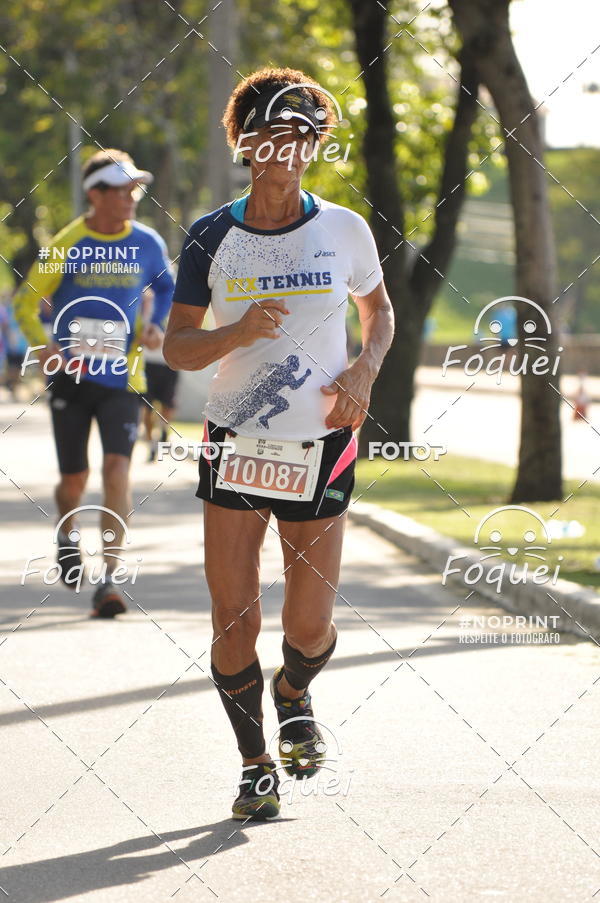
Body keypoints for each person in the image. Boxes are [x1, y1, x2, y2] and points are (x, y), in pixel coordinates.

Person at [164, 68, 394, 820]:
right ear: (244, 143)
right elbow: (179, 349)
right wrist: (236, 331)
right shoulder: (211, 234)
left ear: (313, 147)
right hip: (235, 440)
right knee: (233, 613)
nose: (285, 150)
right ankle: (255, 762)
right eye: (269, 136)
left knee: (309, 622)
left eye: (301, 137)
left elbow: (379, 311)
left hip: (322, 443)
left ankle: (293, 690)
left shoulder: (345, 230)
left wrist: (365, 366)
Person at [13, 148, 175, 617]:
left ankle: (108, 578)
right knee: (74, 479)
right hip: (71, 378)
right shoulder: (66, 243)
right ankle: (67, 534)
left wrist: (156, 323)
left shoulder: (146, 242)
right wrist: (44, 346)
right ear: (95, 194)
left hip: (124, 378)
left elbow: (164, 285)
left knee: (117, 472)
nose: (132, 197)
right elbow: (26, 301)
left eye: (135, 189)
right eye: (123, 189)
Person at [140, 292, 179, 461]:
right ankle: (151, 446)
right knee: (146, 409)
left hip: (169, 362)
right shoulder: (143, 302)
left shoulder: (177, 302)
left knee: (168, 405)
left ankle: (164, 429)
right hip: (148, 364)